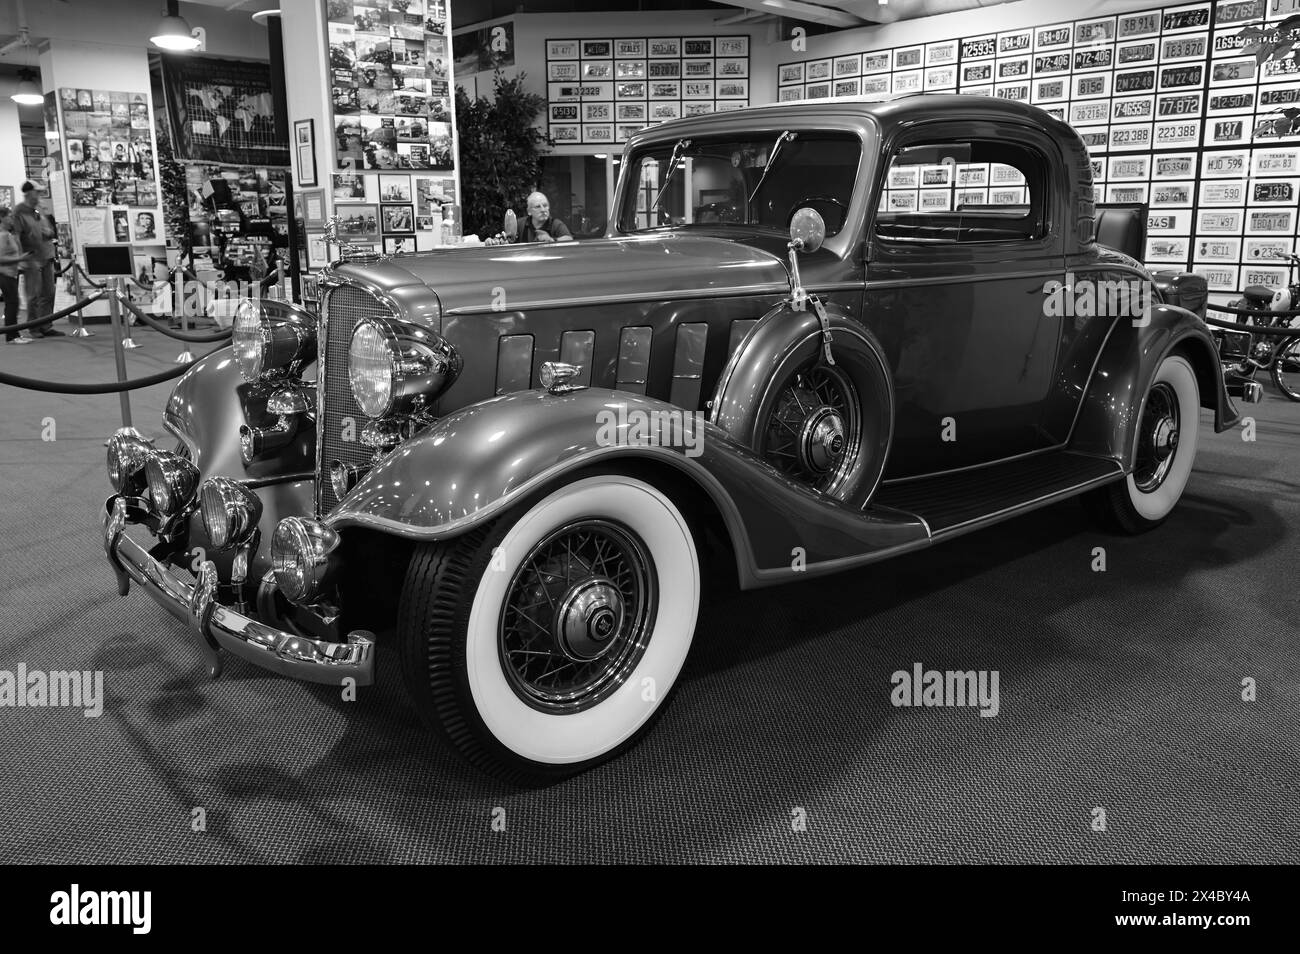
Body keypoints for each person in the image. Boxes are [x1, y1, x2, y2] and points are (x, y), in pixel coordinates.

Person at [12, 182, 62, 337]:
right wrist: (20, 258)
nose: (39, 195)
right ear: (28, 193)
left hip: (46, 255)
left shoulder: (39, 208)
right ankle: (33, 327)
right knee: (33, 294)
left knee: (49, 292)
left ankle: (46, 325)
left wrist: (48, 231)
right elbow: (17, 236)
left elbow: (49, 230)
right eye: (36, 192)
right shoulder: (19, 211)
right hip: (31, 258)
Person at [0, 206, 34, 344]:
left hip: (11, 273)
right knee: (12, 303)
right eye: (9, 216)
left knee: (14, 303)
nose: (11, 219)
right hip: (4, 274)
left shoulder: (8, 234)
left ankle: (14, 334)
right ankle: (11, 336)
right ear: (1, 218)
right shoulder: (2, 236)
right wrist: (20, 259)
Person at [487, 192, 574, 245]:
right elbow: (506, 239)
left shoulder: (556, 224)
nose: (543, 210)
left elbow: (569, 240)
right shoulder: (520, 224)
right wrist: (493, 241)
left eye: (545, 205)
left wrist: (552, 240)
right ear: (529, 211)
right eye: (538, 207)